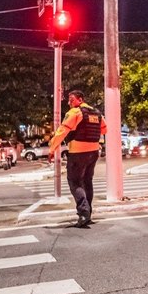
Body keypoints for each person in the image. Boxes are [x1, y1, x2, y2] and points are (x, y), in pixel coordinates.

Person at [49, 90, 107, 228]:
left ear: (80, 99)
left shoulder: (75, 113)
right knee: (87, 181)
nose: (69, 102)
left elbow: (62, 131)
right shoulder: (96, 113)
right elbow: (104, 130)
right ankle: (88, 213)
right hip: (93, 152)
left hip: (78, 152)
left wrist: (52, 149)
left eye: (71, 99)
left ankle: (83, 212)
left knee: (75, 181)